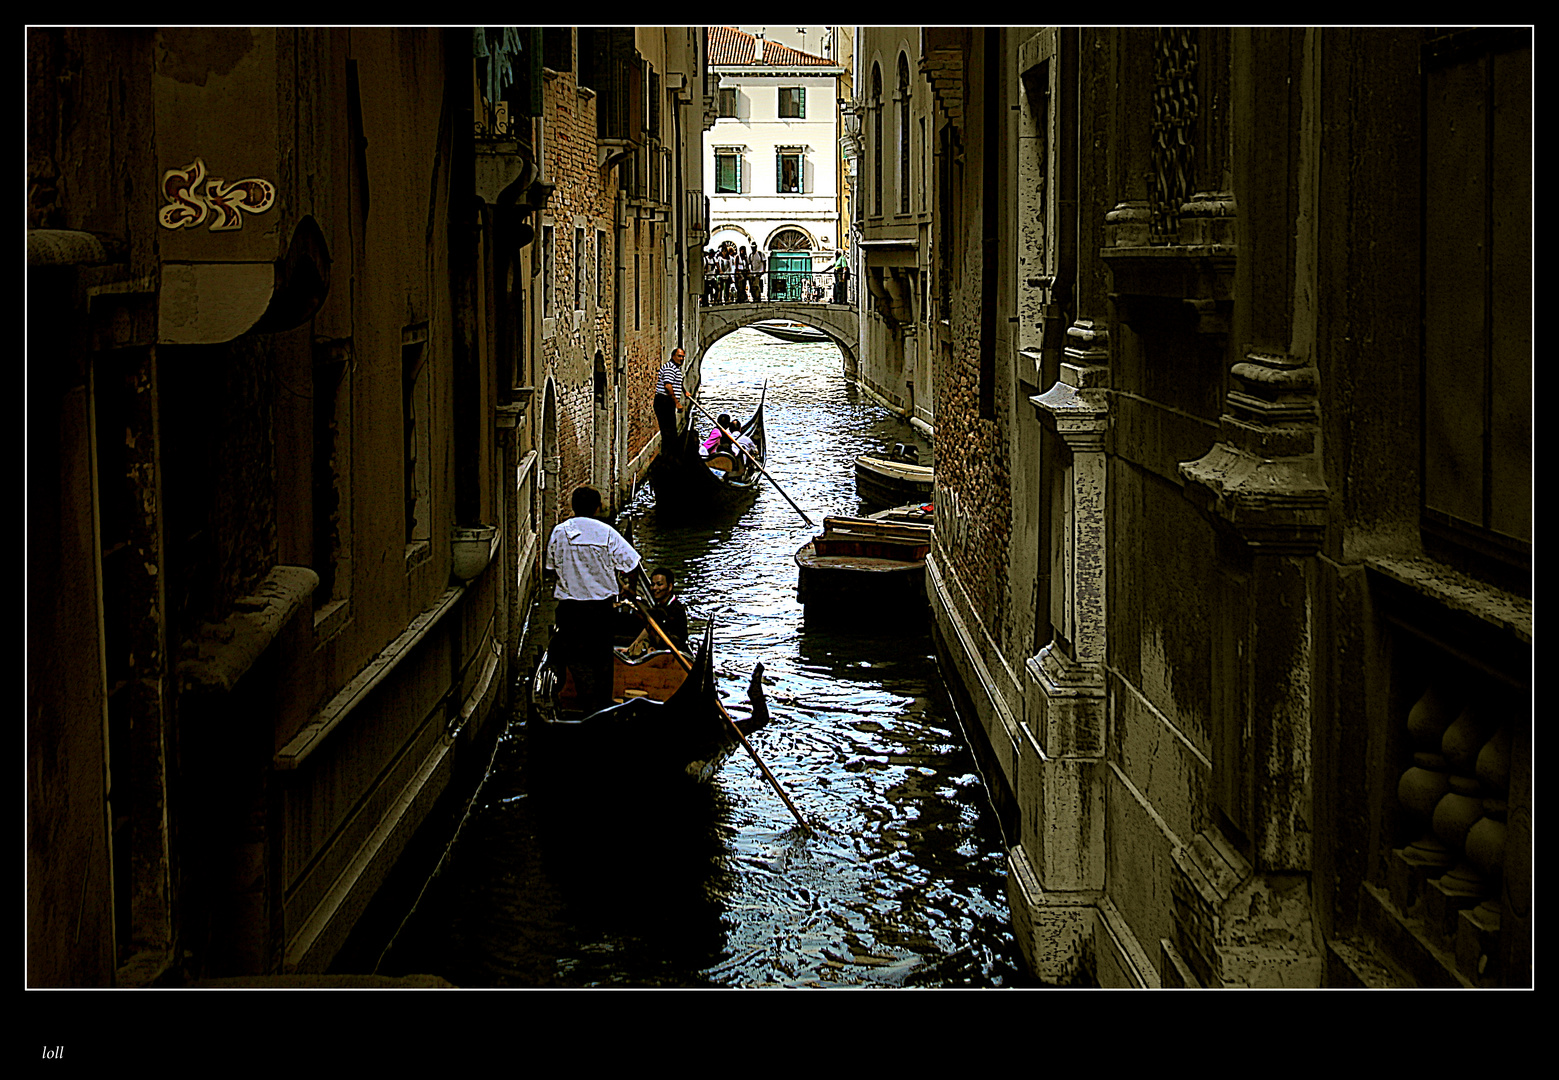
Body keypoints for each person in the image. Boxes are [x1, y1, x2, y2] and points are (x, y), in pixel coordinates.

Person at [546, 485, 642, 712]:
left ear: (573, 507)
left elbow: (550, 568)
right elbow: (632, 565)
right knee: (602, 658)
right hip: (601, 609)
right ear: (597, 508)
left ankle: (586, 704)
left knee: (577, 657)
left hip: (570, 609)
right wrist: (630, 589)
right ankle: (601, 706)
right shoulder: (607, 532)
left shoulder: (560, 532)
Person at [627, 567, 689, 656]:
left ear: (670, 587)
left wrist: (656, 650)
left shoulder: (677, 610)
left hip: (672, 654)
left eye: (659, 584)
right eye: (653, 584)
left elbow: (676, 640)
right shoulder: (659, 606)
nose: (655, 588)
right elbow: (650, 626)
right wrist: (632, 647)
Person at [654, 347, 688, 452]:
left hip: (666, 401)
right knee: (669, 433)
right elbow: (668, 386)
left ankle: (670, 455)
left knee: (671, 432)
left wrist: (685, 391)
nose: (681, 359)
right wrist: (677, 403)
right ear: (673, 356)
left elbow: (676, 382)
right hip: (664, 401)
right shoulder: (670, 368)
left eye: (683, 357)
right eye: (679, 356)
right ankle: (668, 457)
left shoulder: (675, 368)